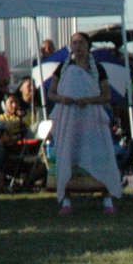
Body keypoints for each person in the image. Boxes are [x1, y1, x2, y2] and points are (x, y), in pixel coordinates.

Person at [47, 32, 122, 214]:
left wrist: (88, 100)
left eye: (81, 43)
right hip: (69, 120)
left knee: (99, 155)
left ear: (88, 46)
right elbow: (51, 93)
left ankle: (106, 200)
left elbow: (106, 96)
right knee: (68, 156)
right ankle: (66, 202)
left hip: (91, 121)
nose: (78, 46)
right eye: (74, 43)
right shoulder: (63, 69)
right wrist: (63, 99)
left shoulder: (97, 68)